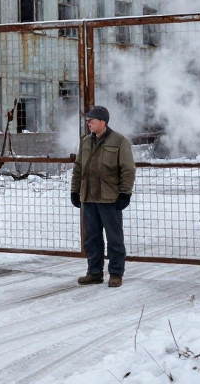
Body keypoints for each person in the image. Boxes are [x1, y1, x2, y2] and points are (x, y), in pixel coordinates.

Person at [70, 105, 135, 287]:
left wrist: (125, 193)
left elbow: (128, 169)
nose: (88, 123)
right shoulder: (86, 142)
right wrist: (75, 191)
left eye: (92, 120)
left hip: (109, 198)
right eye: (88, 120)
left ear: (103, 122)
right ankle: (95, 272)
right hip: (89, 198)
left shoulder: (119, 141)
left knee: (114, 238)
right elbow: (78, 169)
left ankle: (115, 273)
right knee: (91, 238)